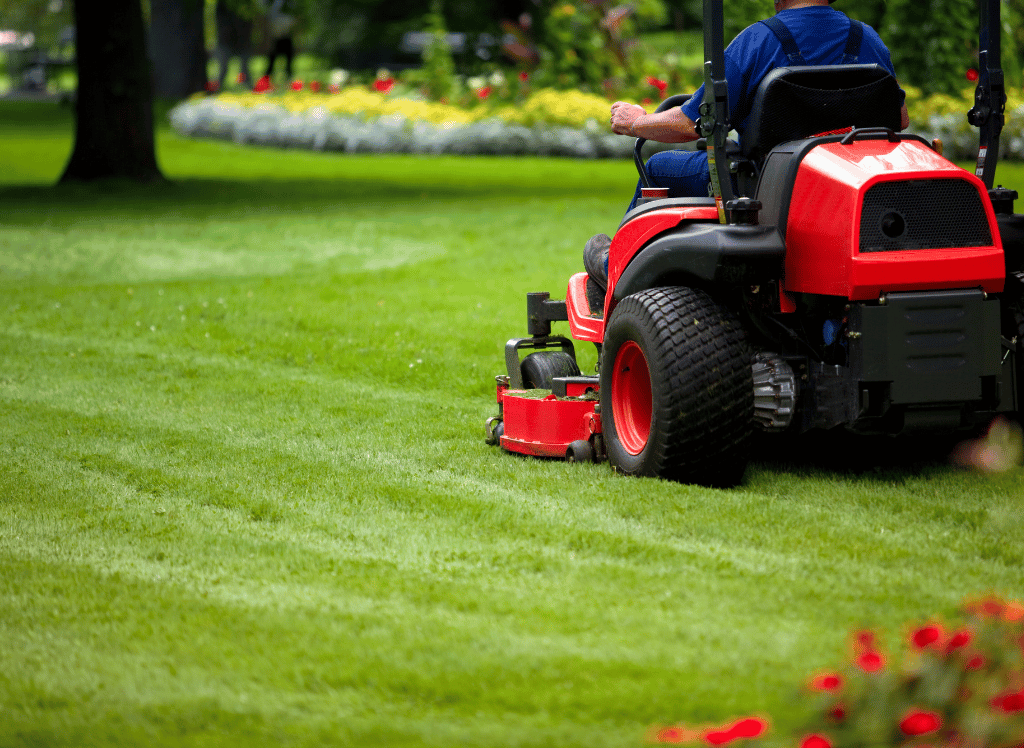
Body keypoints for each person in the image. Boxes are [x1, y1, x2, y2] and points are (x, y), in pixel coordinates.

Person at [584, 0, 910, 304]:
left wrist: (638, 122)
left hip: (763, 188)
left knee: (658, 166)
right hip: (850, 186)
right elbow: (901, 118)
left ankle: (614, 267)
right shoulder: (866, 38)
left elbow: (690, 122)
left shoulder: (757, 41)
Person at [215, 0, 254, 90]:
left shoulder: (246, 3)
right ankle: (217, 86)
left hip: (243, 37)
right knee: (223, 66)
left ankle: (247, 85)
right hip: (226, 38)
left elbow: (250, 16)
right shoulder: (223, 3)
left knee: (245, 65)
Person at [263, 0, 299, 81]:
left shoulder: (290, 6)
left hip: (286, 38)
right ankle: (266, 80)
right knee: (272, 61)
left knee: (288, 63)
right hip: (277, 39)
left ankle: (289, 80)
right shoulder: (276, 6)